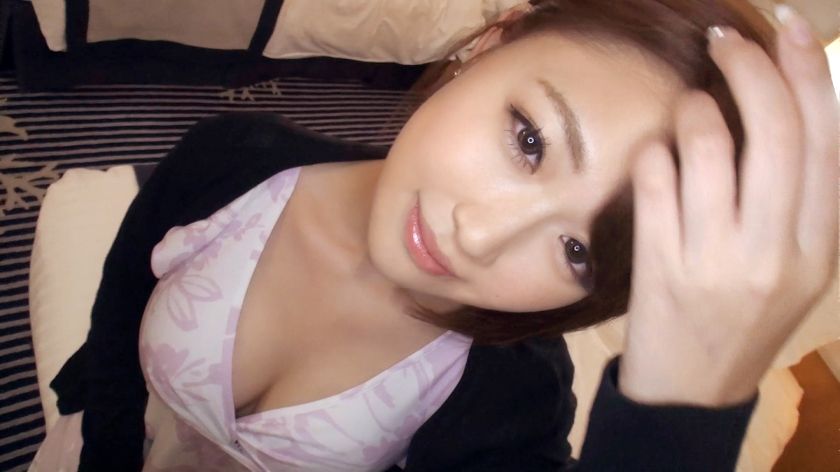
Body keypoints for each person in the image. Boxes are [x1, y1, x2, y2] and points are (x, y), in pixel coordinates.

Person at [33, 0, 837, 470]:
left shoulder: (511, 396)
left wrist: (685, 404)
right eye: (530, 140)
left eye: (578, 251)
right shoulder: (232, 159)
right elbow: (120, 306)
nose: (480, 239)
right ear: (490, 44)